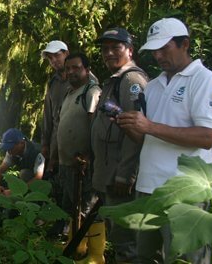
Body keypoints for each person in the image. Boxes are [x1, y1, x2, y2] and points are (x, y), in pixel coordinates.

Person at [117, 18, 212, 264]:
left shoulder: (204, 80)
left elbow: (207, 137)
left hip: (185, 191)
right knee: (145, 256)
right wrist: (129, 125)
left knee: (186, 258)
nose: (158, 55)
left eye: (164, 48)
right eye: (154, 50)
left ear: (184, 44)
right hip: (148, 187)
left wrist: (150, 126)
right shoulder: (153, 86)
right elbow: (145, 135)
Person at [91, 28, 148, 263]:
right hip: (109, 171)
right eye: (105, 49)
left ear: (130, 50)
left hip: (120, 177)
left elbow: (136, 132)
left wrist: (125, 175)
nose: (109, 53)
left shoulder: (132, 80)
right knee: (118, 236)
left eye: (116, 48)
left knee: (127, 242)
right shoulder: (114, 81)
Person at [57, 53, 101, 259]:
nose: (71, 72)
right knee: (72, 207)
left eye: (76, 68)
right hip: (67, 163)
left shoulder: (91, 93)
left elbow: (96, 127)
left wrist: (89, 156)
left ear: (87, 69)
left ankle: (94, 254)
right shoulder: (69, 93)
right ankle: (76, 245)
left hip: (84, 164)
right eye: (68, 69)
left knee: (88, 208)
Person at [40, 40, 70, 176]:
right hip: (54, 143)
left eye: (57, 55)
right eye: (50, 58)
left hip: (73, 142)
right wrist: (45, 142)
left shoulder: (83, 79)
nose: (54, 61)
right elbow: (48, 115)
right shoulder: (53, 82)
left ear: (66, 54)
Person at [0, 128, 45, 195]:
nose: (9, 151)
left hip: (45, 178)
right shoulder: (11, 152)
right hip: (30, 174)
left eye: (11, 147)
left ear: (21, 143)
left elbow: (38, 178)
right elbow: (0, 170)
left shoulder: (37, 152)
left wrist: (14, 192)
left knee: (24, 173)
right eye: (7, 148)